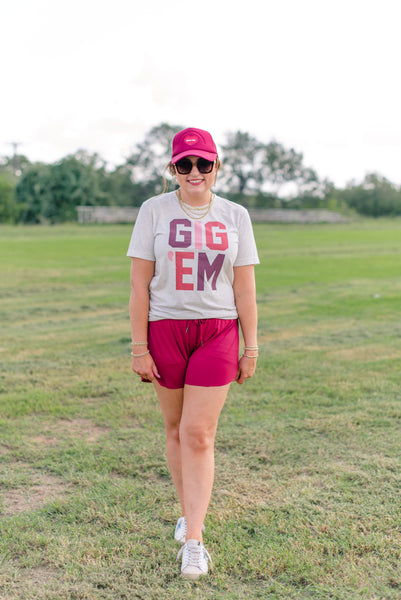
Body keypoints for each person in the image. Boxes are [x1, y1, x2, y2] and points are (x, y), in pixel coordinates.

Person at [127, 127, 259, 580]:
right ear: (173, 168)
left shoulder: (236, 215)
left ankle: (195, 541)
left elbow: (244, 287)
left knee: (198, 433)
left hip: (218, 330)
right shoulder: (153, 211)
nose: (195, 172)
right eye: (185, 165)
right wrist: (139, 346)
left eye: (204, 163)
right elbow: (138, 285)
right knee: (175, 429)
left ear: (216, 166)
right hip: (165, 329)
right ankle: (187, 512)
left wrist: (251, 346)